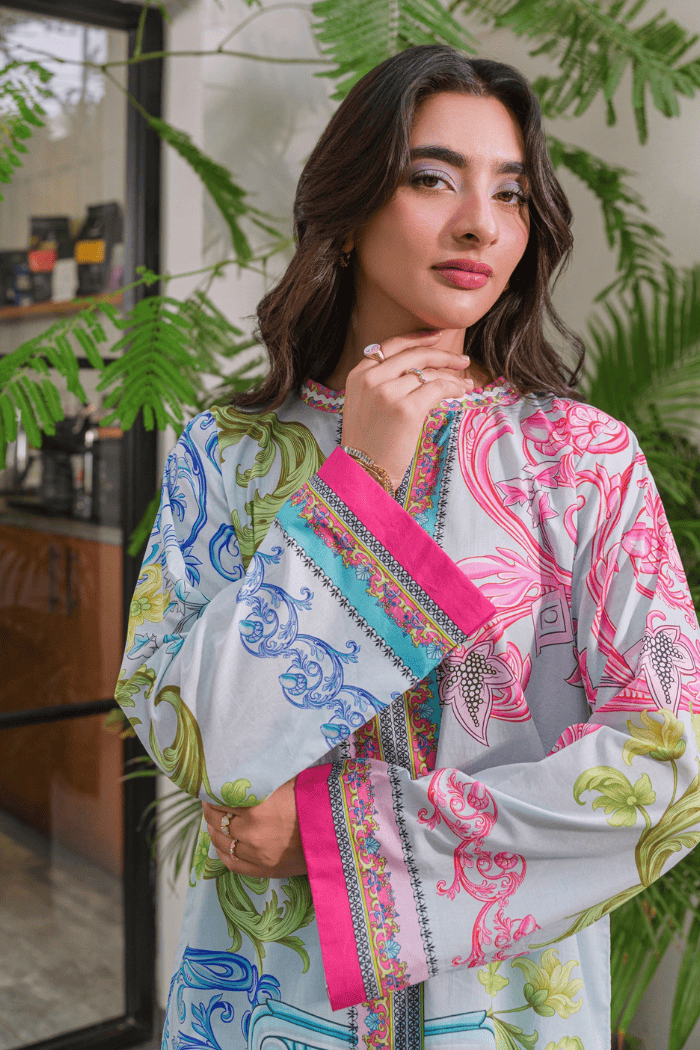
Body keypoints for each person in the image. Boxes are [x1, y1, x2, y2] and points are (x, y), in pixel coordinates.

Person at [116, 44, 700, 1050]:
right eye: (432, 178)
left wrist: (342, 844)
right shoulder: (229, 453)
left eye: (511, 193)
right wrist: (358, 484)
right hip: (264, 1009)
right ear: (345, 207)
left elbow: (668, 768)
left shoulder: (582, 460)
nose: (479, 222)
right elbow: (194, 738)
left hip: (511, 1014)